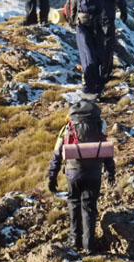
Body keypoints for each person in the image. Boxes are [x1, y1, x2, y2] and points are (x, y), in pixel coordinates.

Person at [47, 100, 115, 252]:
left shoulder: (68, 127)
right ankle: (89, 245)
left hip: (73, 172)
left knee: (74, 202)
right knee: (89, 206)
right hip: (94, 172)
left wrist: (52, 176)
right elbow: (106, 151)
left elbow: (57, 153)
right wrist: (110, 172)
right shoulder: (99, 126)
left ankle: (74, 240)